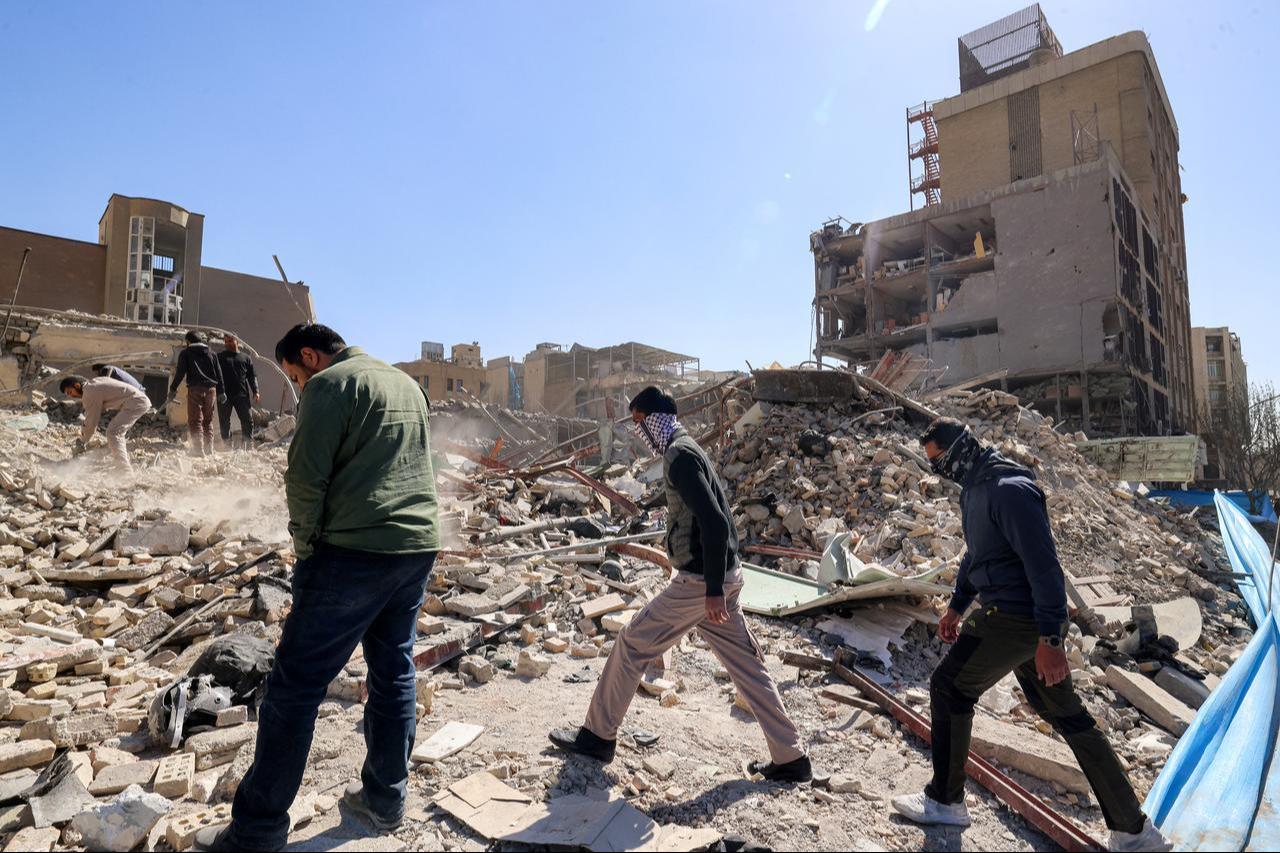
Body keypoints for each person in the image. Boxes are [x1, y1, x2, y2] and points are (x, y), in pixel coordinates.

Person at [195, 323, 440, 852]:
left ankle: (257, 830)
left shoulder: (332, 386)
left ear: (309, 355)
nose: (299, 386)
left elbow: (305, 477)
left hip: (352, 554)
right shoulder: (405, 384)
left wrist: (307, 550)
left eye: (295, 376)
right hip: (416, 546)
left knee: (295, 687)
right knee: (394, 669)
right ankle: (384, 799)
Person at [891, 417, 1170, 853]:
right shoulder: (976, 489)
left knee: (949, 688)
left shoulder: (1009, 491)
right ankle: (1134, 832)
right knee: (1068, 716)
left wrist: (1051, 641)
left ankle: (945, 802)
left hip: (1019, 619)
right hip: (1017, 619)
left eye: (941, 461)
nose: (939, 471)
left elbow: (1045, 569)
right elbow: (978, 555)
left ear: (961, 450)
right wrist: (957, 605)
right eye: (933, 465)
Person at [548, 386, 812, 782]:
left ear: (657, 418)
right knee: (747, 667)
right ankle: (791, 757)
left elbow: (716, 523)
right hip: (722, 577)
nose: (641, 434)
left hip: (700, 585)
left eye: (641, 423)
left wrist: (710, 592)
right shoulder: (687, 449)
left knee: (632, 643)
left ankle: (597, 736)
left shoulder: (679, 455)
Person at [59, 374, 151, 472]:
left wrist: (82, 441)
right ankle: (117, 461)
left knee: (114, 432)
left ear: (77, 385)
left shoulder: (89, 393)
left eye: (70, 392)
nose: (72, 396)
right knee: (114, 431)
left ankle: (125, 471)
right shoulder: (94, 383)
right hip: (136, 401)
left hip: (136, 402)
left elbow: (91, 422)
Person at [168, 330, 225, 457]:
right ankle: (209, 448)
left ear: (188, 342)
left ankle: (198, 450)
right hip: (211, 390)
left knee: (195, 420)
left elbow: (180, 373)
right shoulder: (212, 353)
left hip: (195, 390)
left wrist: (172, 389)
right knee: (208, 420)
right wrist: (222, 391)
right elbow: (219, 374)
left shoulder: (186, 353)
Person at [216, 334, 260, 450]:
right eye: (225, 341)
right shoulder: (219, 357)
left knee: (247, 420)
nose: (227, 343)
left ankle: (247, 445)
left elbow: (252, 376)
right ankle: (227, 445)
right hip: (224, 395)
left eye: (230, 341)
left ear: (237, 341)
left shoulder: (246, 358)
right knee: (224, 422)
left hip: (241, 395)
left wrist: (256, 391)